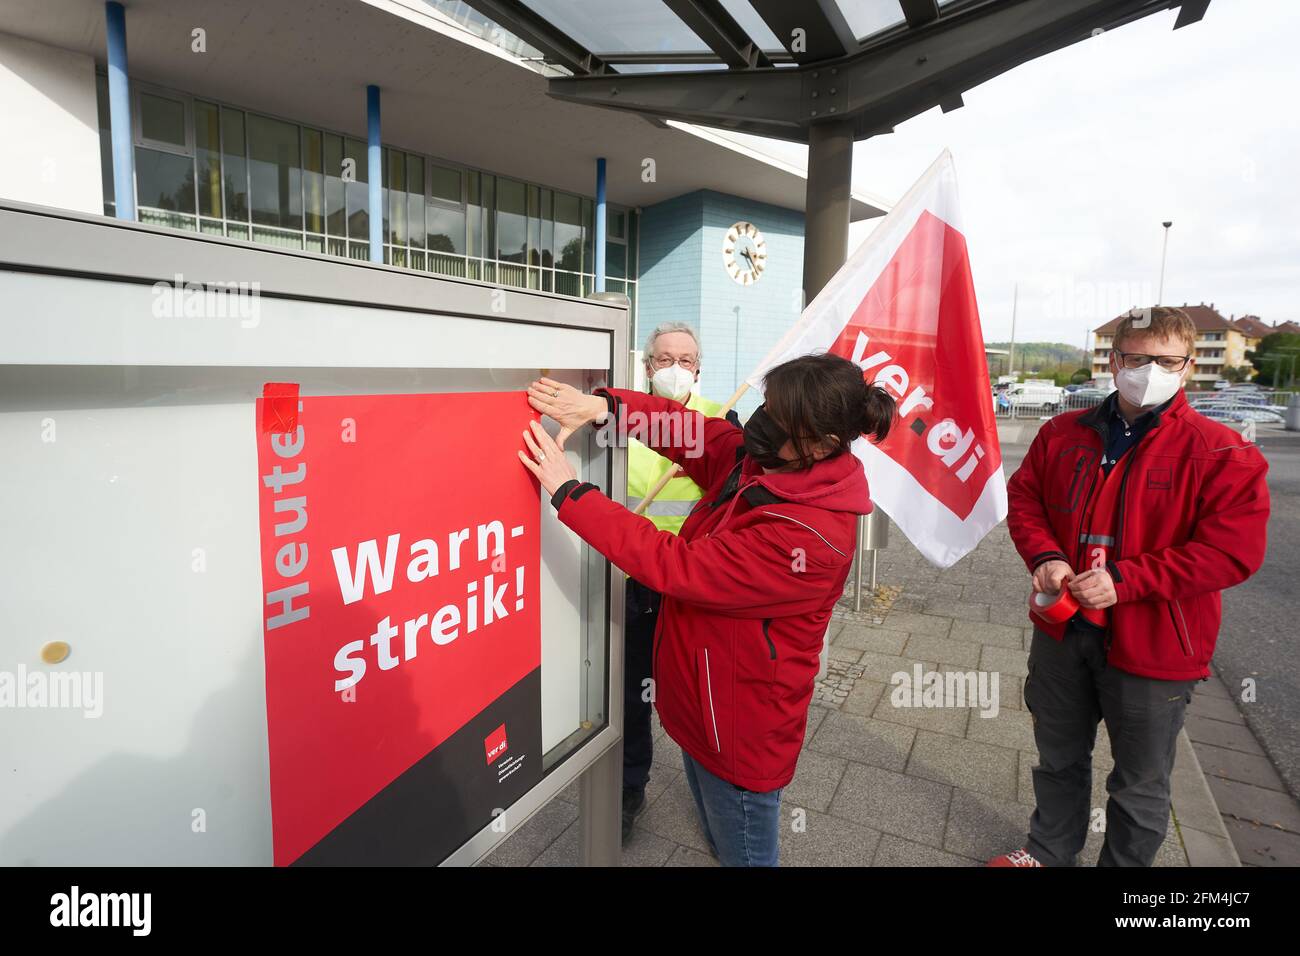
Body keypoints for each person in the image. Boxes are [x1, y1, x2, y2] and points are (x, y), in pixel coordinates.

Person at [518, 353, 894, 866]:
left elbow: (677, 565)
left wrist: (571, 492)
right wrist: (604, 408)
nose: (759, 424)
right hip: (705, 704)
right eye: (767, 405)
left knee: (744, 852)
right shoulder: (769, 461)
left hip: (740, 729)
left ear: (821, 443)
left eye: (778, 419)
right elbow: (689, 432)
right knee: (721, 837)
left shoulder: (809, 536)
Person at [991, 306, 1270, 867]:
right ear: (1114, 361)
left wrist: (1126, 581)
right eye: (1139, 359)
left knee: (1140, 782)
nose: (1151, 371)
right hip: (1065, 629)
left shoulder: (1222, 451)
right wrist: (1044, 556)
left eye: (1167, 361)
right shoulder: (1060, 433)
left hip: (1158, 643)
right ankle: (1046, 852)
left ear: (1188, 367)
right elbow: (1024, 500)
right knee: (1058, 757)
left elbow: (1232, 553)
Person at [621, 323, 738, 840]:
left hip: (689, 578)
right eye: (664, 358)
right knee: (630, 693)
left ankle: (717, 809)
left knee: (697, 694)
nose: (674, 368)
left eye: (685, 360)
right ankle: (628, 790)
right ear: (647, 367)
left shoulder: (722, 418)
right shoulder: (621, 416)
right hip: (630, 574)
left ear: (699, 366)